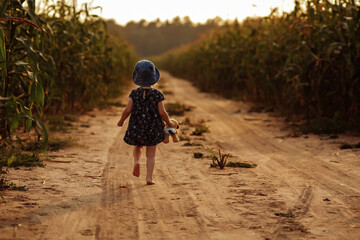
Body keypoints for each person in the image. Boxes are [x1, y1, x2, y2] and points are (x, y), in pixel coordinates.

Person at [117, 60, 176, 185]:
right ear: (154, 77)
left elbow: (127, 110)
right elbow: (162, 112)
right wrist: (169, 123)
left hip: (136, 125)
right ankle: (149, 178)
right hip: (153, 127)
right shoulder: (157, 94)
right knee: (151, 154)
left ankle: (136, 162)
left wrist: (121, 121)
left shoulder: (134, 93)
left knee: (138, 147)